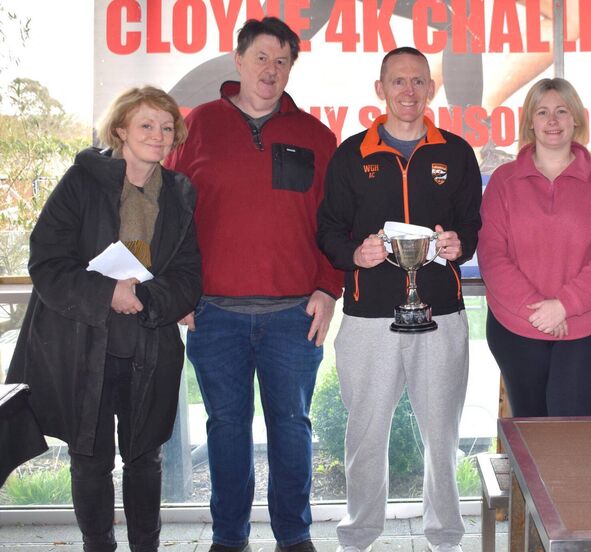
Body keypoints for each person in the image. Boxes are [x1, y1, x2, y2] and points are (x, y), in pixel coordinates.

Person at [164, 17, 341, 552]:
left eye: (283, 60)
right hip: (214, 314)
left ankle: (294, 536)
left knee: (292, 430)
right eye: (262, 57)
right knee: (227, 430)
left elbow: (336, 223)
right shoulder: (195, 127)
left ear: (292, 69)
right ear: (238, 61)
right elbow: (168, 217)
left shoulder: (316, 136)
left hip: (294, 316)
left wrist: (328, 290)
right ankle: (228, 537)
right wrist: (179, 292)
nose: (271, 69)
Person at [6, 86, 202, 552]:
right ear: (121, 131)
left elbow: (189, 273)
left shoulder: (179, 195)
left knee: (145, 458)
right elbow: (47, 261)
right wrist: (107, 293)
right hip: (83, 344)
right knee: (88, 457)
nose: (158, 135)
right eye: (146, 125)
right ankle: (98, 546)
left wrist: (147, 300)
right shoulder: (81, 181)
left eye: (167, 127)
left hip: (149, 344)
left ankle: (145, 548)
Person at [317, 47, 482, 552]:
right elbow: (327, 229)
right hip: (369, 319)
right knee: (366, 436)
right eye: (398, 82)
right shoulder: (352, 153)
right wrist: (355, 254)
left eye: (418, 81)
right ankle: (359, 536)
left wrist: (459, 244)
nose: (408, 91)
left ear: (431, 89)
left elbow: (472, 225)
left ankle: (445, 537)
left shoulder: (456, 152)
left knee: (441, 437)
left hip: (441, 316)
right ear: (380, 89)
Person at [477, 78, 591, 417]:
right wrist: (539, 310)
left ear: (576, 118)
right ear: (530, 121)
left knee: (570, 438)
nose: (552, 120)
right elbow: (492, 255)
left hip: (586, 328)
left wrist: (564, 306)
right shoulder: (503, 182)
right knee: (531, 432)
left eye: (561, 111)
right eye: (542, 112)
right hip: (516, 326)